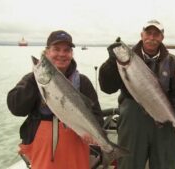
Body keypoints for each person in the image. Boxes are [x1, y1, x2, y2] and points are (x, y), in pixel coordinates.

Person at [7, 30, 104, 169]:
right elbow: (15, 108)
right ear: (46, 53)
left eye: (67, 50)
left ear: (71, 54)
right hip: (44, 153)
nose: (62, 54)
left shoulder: (83, 82)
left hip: (76, 149)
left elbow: (97, 116)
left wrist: (93, 133)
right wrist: (35, 79)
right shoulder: (33, 79)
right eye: (56, 49)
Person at [98, 19, 175, 169]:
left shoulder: (172, 61)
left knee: (166, 164)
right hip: (133, 121)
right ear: (142, 35)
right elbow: (107, 87)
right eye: (148, 33)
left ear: (162, 37)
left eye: (156, 34)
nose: (152, 38)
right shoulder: (125, 59)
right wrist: (111, 62)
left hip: (163, 121)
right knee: (129, 164)